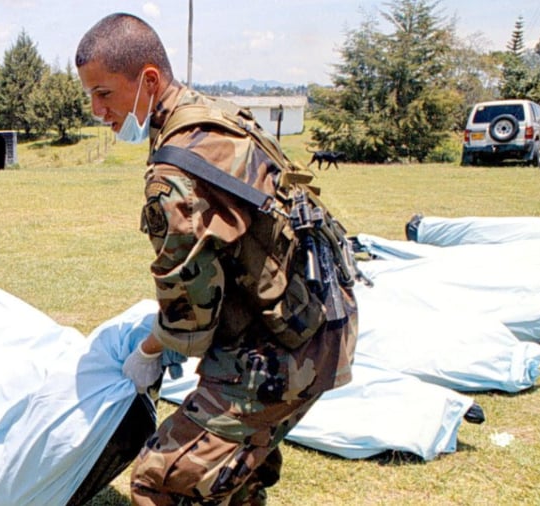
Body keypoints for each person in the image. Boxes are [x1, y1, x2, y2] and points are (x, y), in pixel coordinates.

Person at [76, 14, 357, 505]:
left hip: (285, 345)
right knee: (230, 483)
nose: (97, 110)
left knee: (162, 480)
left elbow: (190, 311)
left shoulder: (174, 171)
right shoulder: (213, 117)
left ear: (147, 80)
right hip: (316, 313)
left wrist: (150, 350)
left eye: (104, 93)